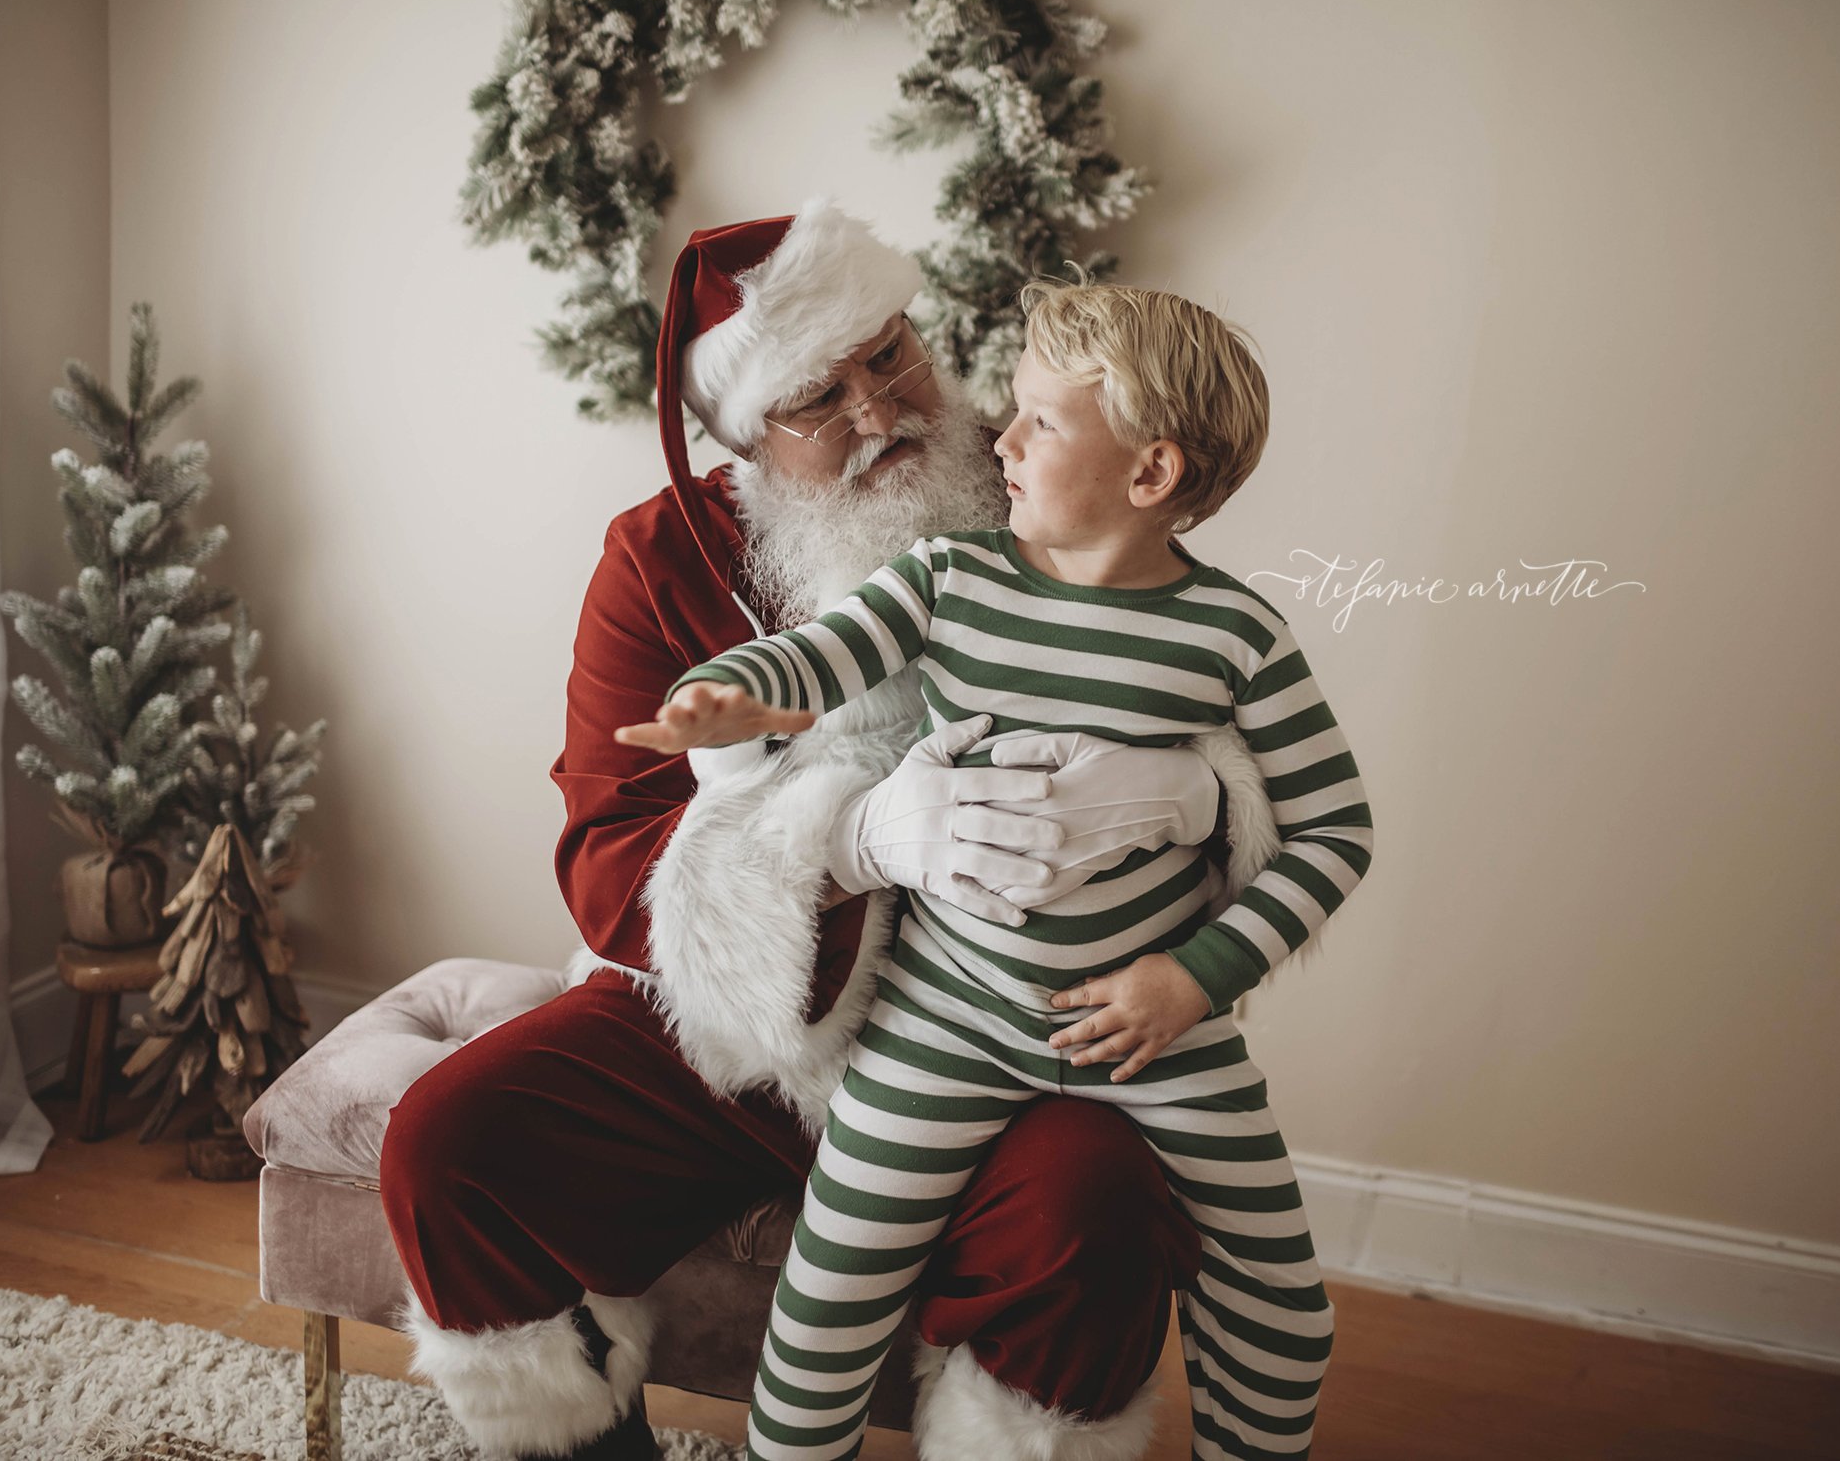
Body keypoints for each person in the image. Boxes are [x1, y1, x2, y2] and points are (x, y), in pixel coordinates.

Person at [378, 200, 1249, 1461]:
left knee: (1092, 1201)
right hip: (737, 1035)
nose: (880, 410)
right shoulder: (657, 562)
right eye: (817, 396)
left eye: (890, 354)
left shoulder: (1050, 496)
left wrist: (1192, 799)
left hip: (1005, 1019)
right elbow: (608, 864)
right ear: (744, 436)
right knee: (452, 1142)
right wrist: (842, 845)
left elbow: (1210, 692)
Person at [617, 276, 1377, 1461]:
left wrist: (1194, 978)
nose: (1000, 438)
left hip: (1151, 1032)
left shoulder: (1234, 636)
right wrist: (727, 700)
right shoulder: (951, 578)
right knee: (830, 1295)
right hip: (947, 1020)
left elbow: (1336, 831)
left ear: (1152, 475)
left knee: (1281, 1306)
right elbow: (819, 655)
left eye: (1038, 421)